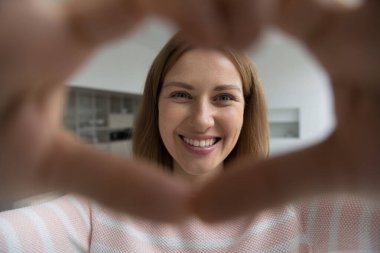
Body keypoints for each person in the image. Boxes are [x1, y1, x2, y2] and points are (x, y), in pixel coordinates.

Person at [1, 33, 379, 252]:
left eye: (224, 97)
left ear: (248, 110)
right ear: (155, 105)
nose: (201, 119)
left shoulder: (298, 211)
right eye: (181, 95)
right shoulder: (97, 213)